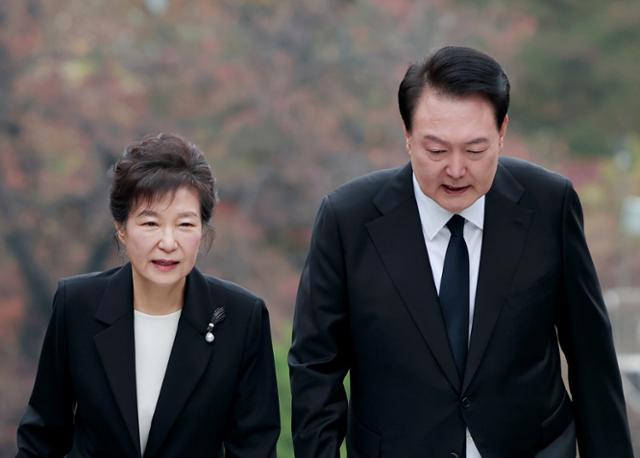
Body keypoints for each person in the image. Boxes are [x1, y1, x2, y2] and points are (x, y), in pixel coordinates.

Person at [289, 46, 633, 457]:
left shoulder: (549, 204)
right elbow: (315, 368)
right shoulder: (347, 220)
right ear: (407, 135)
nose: (455, 170)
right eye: (436, 150)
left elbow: (591, 354)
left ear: (502, 132)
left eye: (475, 150)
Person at [17, 133, 280, 457]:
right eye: (151, 223)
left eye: (185, 224)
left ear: (202, 231)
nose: (168, 243)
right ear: (122, 229)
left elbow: (255, 448)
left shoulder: (240, 318)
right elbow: (41, 438)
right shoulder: (78, 305)